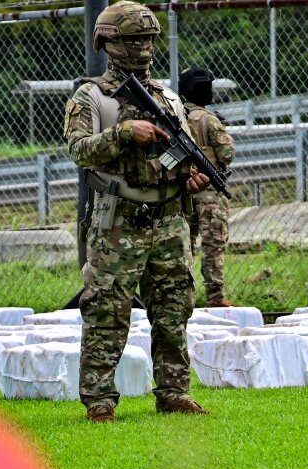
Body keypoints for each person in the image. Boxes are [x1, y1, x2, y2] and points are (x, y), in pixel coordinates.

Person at [63, 0, 211, 423]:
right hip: (118, 221)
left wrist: (191, 179)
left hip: (167, 219)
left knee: (173, 308)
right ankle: (99, 400)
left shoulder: (167, 97)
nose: (143, 47)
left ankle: (174, 392)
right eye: (134, 40)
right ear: (109, 42)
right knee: (107, 310)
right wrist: (125, 132)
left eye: (148, 39)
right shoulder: (92, 97)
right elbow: (78, 149)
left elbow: (178, 159)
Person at [178, 67, 236, 308]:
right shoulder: (209, 120)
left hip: (183, 190)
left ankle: (183, 297)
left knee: (184, 245)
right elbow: (227, 154)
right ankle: (215, 297)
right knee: (213, 244)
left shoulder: (177, 117)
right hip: (210, 192)